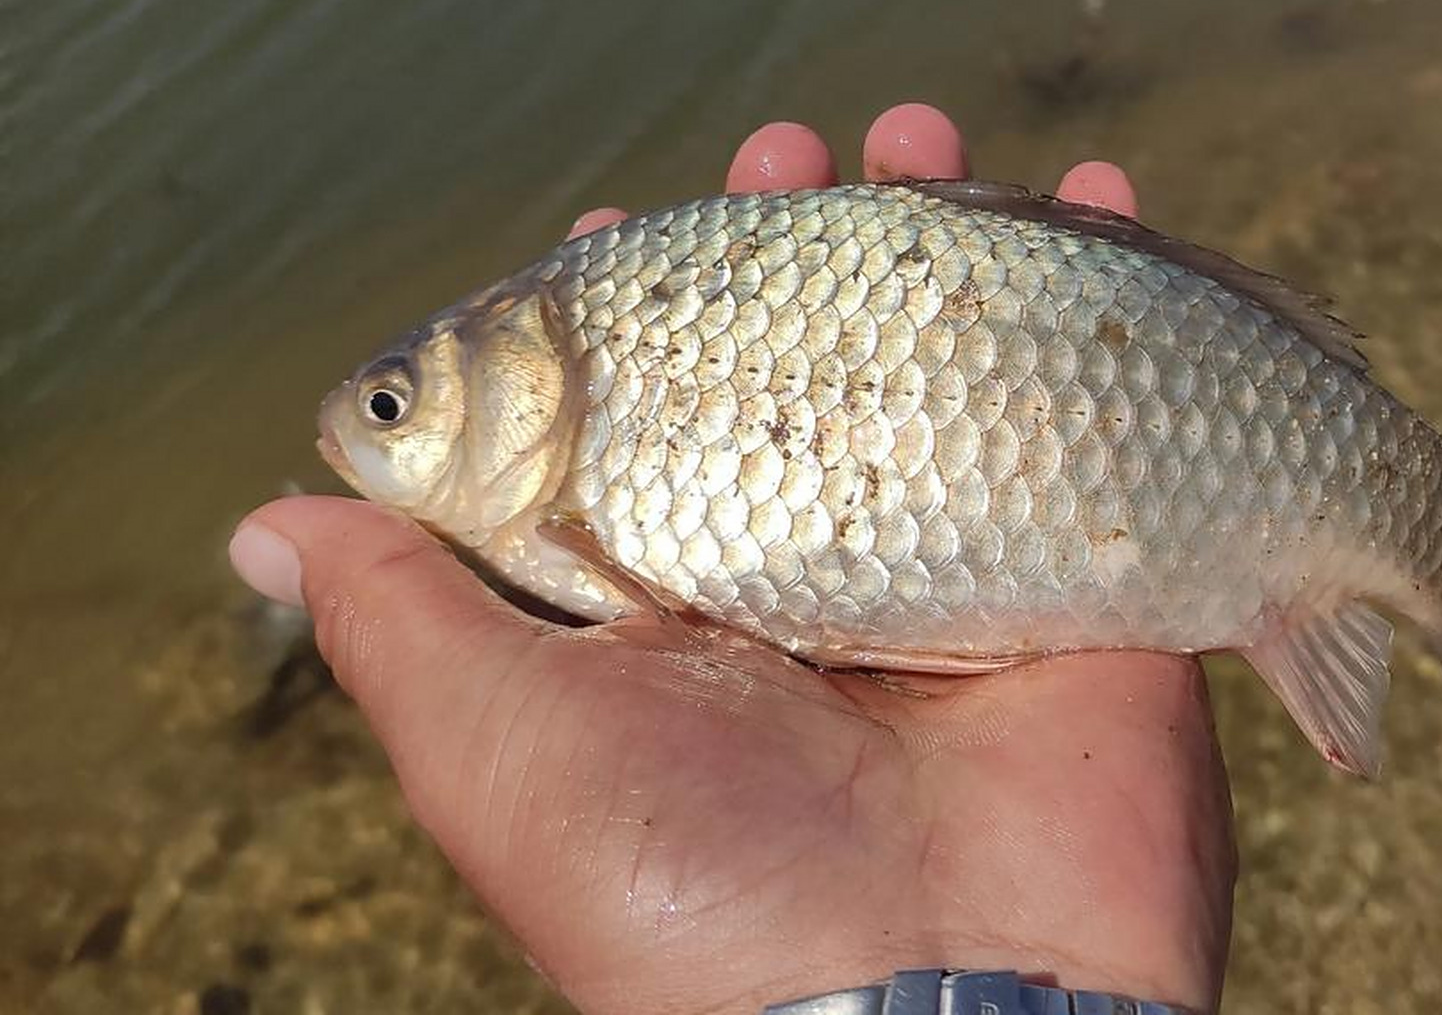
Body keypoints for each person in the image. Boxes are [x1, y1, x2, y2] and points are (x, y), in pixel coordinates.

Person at [228, 104, 1236, 1014]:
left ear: (523, 372)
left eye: (389, 406)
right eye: (389, 408)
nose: (370, 431)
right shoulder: (549, 475)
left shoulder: (557, 515)